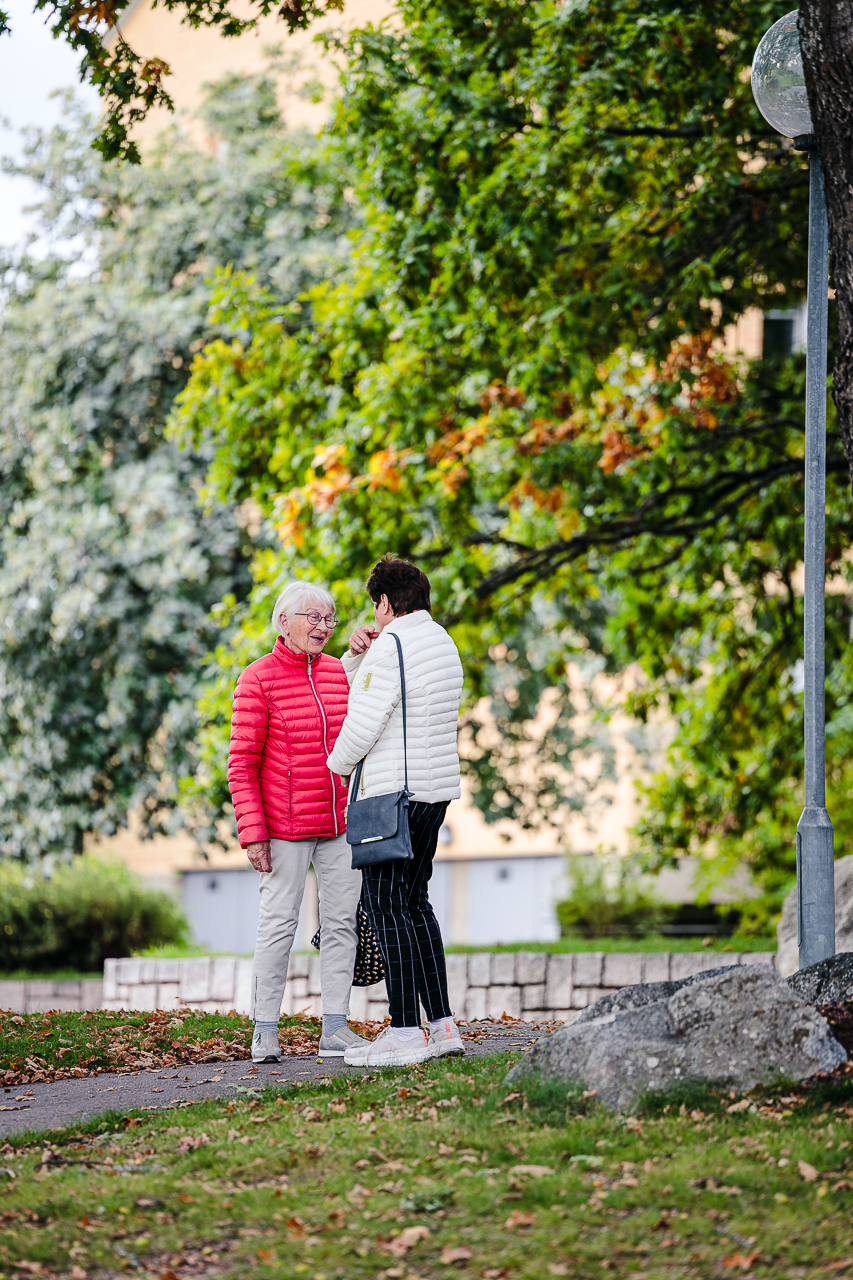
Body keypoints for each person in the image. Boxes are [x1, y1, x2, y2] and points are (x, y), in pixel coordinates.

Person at [327, 555, 465, 1066]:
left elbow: (364, 720)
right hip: (432, 794)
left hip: (391, 797)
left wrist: (335, 765)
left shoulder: (393, 645)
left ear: (385, 602)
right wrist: (356, 658)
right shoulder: (442, 642)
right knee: (416, 904)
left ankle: (405, 1029)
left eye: (375, 607)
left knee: (387, 910)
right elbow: (394, 700)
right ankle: (443, 1023)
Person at [228, 581, 371, 1063]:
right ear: (284, 621)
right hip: (283, 830)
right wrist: (253, 833)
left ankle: (335, 1028)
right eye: (314, 617)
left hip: (339, 825)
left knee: (340, 925)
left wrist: (358, 651)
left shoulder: (337, 673)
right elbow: (242, 765)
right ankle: (265, 1030)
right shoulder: (257, 679)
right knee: (277, 927)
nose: (323, 627)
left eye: (329, 619)